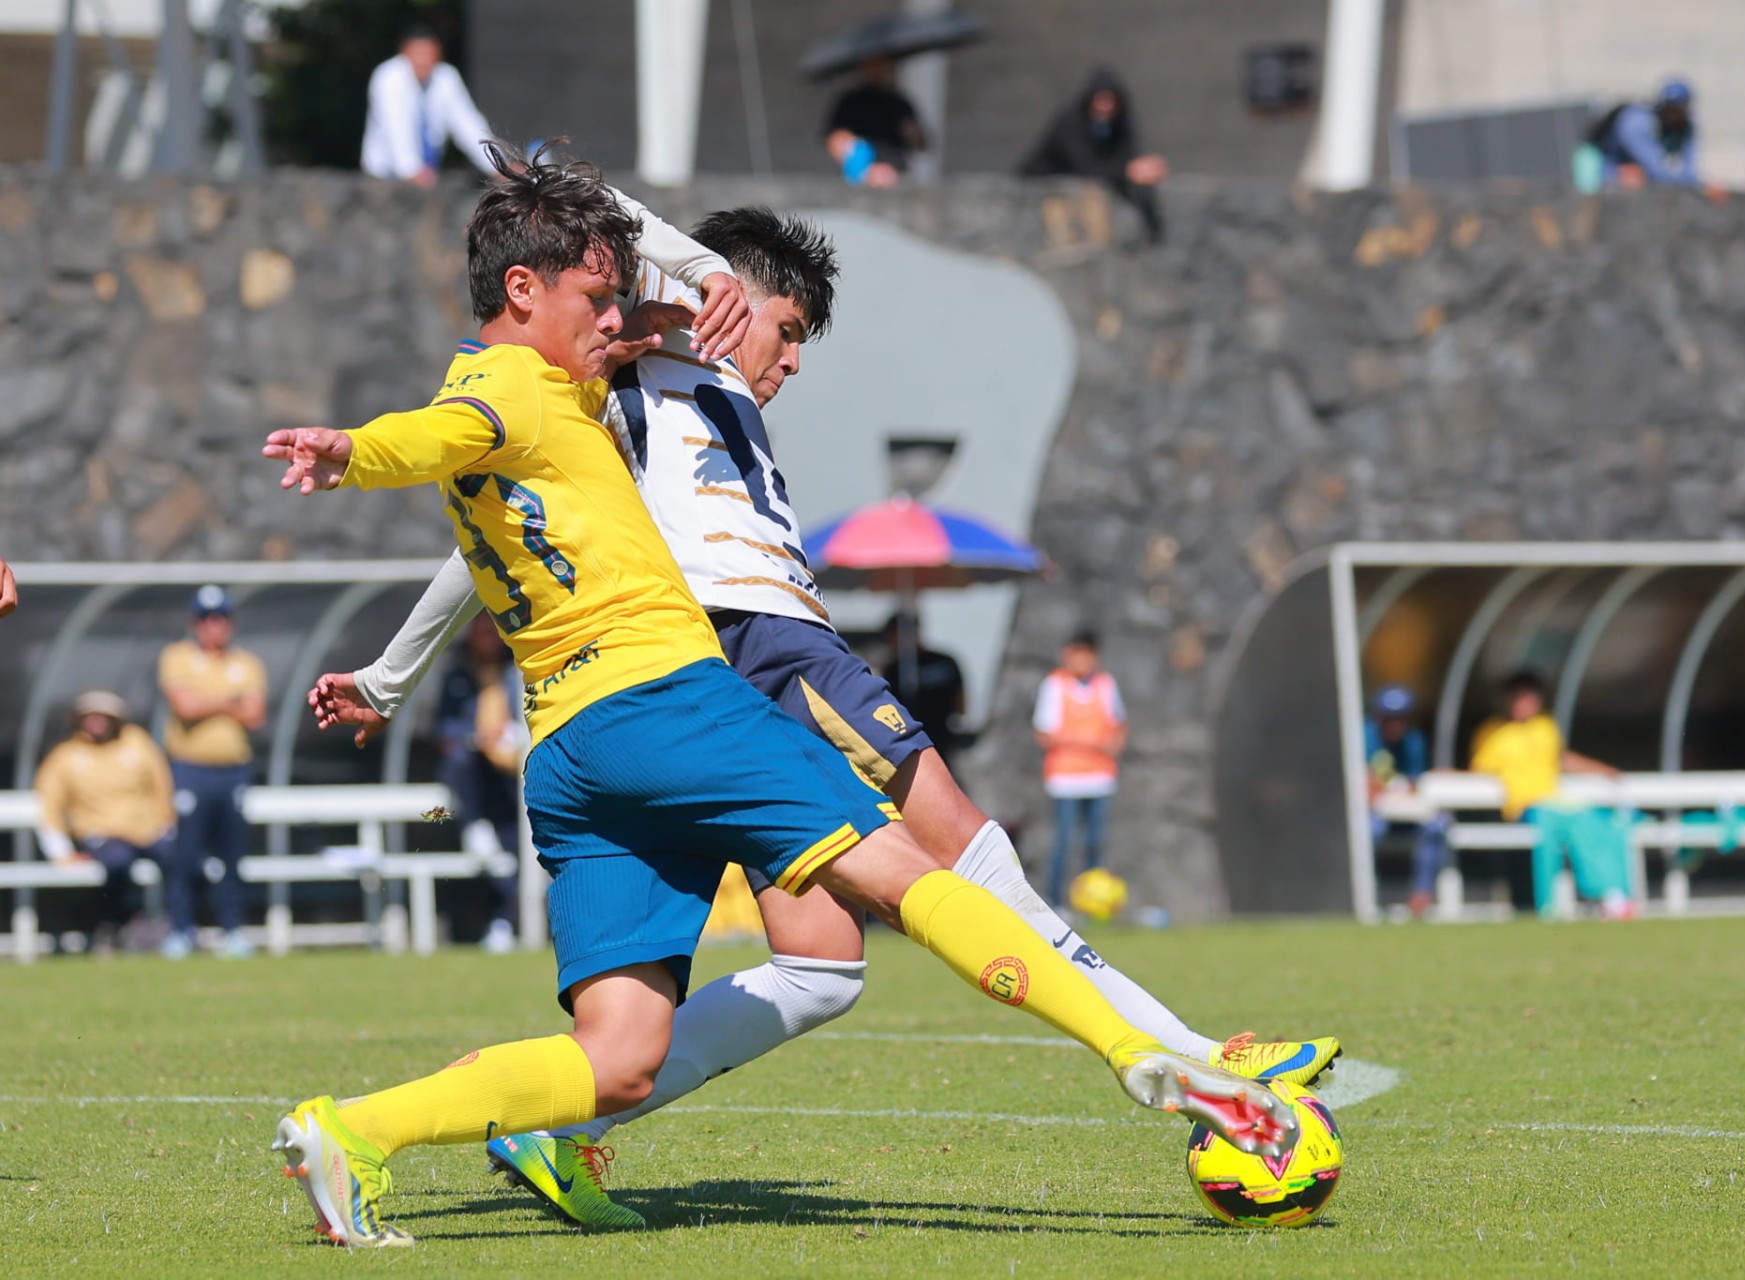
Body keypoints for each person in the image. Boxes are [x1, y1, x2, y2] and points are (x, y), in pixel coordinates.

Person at [263, 144, 1297, 1248]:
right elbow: (440, 431)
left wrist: (385, 672)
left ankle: (352, 1130)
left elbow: (471, 463)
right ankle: (1158, 1060)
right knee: (908, 869)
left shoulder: (556, 395)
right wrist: (355, 450)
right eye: (599, 299)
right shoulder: (521, 385)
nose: (620, 316)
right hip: (667, 699)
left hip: (572, 752)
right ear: (523, 289)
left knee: (622, 1058)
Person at [157, 584, 267, 959]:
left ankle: (232, 930)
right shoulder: (177, 657)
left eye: (220, 618)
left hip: (233, 771)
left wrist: (208, 701)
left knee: (232, 855)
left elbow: (255, 715)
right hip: (190, 770)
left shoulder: (247, 663)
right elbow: (184, 707)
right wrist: (231, 701)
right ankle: (181, 930)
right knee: (185, 854)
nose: (214, 625)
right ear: (195, 622)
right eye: (206, 618)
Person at [1468, 671, 1632, 918]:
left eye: (1528, 698)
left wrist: (1604, 770)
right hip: (1527, 809)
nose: (1524, 704)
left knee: (1598, 822)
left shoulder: (1546, 727)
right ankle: (1550, 905)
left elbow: (1560, 760)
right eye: (1518, 698)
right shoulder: (1493, 733)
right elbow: (1478, 771)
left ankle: (1610, 896)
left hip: (1554, 805)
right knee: (1557, 822)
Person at [33, 691, 175, 952]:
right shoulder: (67, 755)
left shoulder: (136, 743)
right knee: (117, 862)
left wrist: (166, 824)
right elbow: (50, 805)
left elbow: (161, 787)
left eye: (103, 717)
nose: (97, 723)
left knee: (181, 860)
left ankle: (177, 926)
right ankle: (114, 926)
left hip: (145, 832)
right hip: (101, 835)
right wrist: (62, 852)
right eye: (91, 717)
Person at [435, 615, 525, 952]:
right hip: (472, 776)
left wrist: (509, 738)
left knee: (516, 847)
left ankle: (506, 920)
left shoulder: (520, 670)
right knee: (457, 764)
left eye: (492, 632)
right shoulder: (458, 675)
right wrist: (476, 738)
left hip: (511, 775)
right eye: (481, 632)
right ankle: (473, 825)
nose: (486, 639)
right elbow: (443, 729)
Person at [1018, 65, 1167, 243]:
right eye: (1100, 99)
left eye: (1111, 100)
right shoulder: (1071, 123)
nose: (1106, 106)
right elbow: (1086, 166)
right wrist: (1128, 170)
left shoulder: (1119, 124)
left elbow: (1126, 155)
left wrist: (1144, 168)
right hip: (1045, 189)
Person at [1033, 632, 1127, 908]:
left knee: (1095, 845)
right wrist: (1092, 743)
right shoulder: (1054, 684)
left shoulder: (1106, 684)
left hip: (1100, 777)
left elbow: (1119, 726)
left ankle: (1091, 905)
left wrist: (1113, 745)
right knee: (1063, 843)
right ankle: (1056, 903)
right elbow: (1045, 734)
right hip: (1065, 778)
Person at [361, 24, 495, 188]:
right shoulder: (388, 77)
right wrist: (411, 170)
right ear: (405, 53)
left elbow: (467, 124)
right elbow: (396, 126)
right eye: (418, 53)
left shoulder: (446, 78)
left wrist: (497, 165)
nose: (423, 60)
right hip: (383, 180)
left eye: (429, 54)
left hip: (427, 178)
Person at [1364, 685, 1452, 919]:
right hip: (1376, 815)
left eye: (1400, 719)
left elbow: (1415, 784)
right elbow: (1363, 785)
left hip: (1405, 814)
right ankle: (1365, 894)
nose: (1395, 725)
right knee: (1370, 829)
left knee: (1437, 825)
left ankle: (1421, 896)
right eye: (1389, 718)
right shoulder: (1364, 737)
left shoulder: (1414, 741)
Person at [1581, 77, 1725, 200]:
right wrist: (1699, 185)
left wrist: (1700, 185)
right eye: (1670, 110)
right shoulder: (1636, 122)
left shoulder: (1686, 126)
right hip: (1593, 163)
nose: (1674, 116)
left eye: (1679, 110)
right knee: (1629, 181)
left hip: (1629, 171)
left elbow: (1688, 171)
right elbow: (1657, 172)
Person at [822, 57, 927, 188]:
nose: (877, 70)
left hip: (895, 174)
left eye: (881, 65)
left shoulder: (899, 102)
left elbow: (921, 145)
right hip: (859, 176)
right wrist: (863, 169)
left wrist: (912, 132)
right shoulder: (850, 102)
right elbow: (835, 139)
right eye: (872, 65)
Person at [880, 613, 967, 760]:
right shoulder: (894, 669)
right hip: (915, 741)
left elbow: (960, 704)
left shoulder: (943, 662)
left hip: (939, 738)